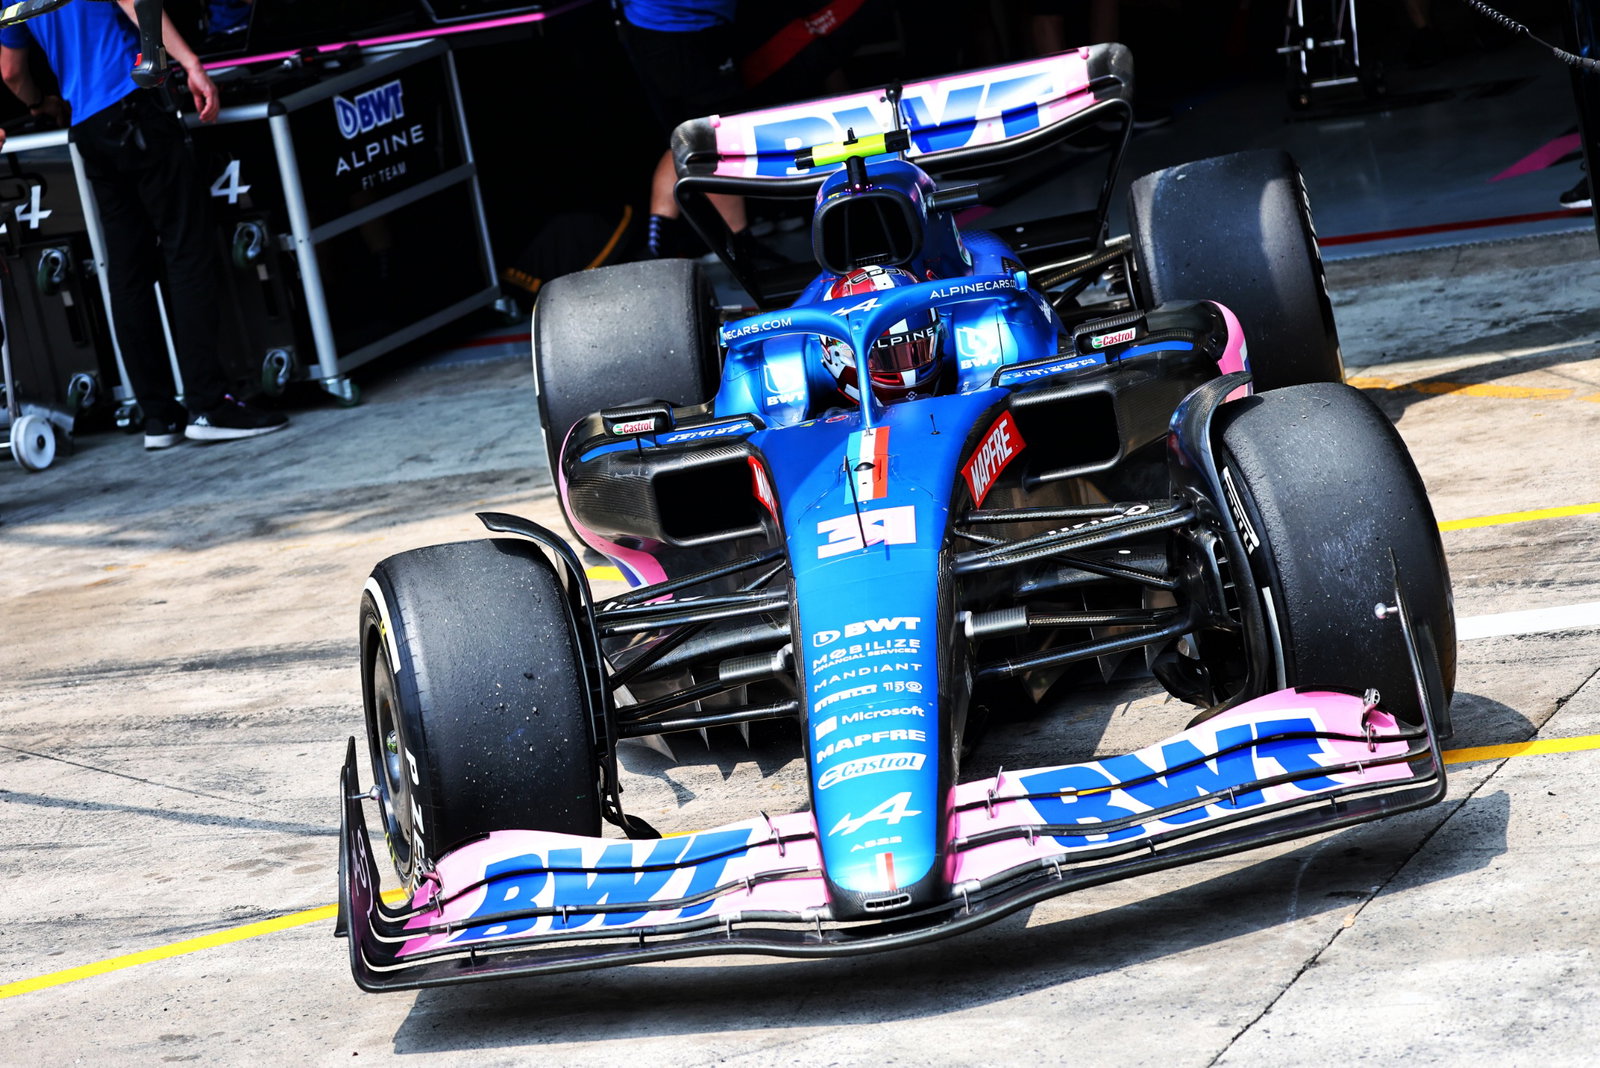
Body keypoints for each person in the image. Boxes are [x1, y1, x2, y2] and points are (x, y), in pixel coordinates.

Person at [1, 0, 288, 449]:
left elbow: (11, 71)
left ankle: (159, 416)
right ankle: (209, 407)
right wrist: (190, 62)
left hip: (88, 125)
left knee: (129, 270)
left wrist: (42, 103)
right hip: (136, 101)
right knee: (186, 248)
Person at [614, 0, 750, 258]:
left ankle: (658, 248)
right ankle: (740, 245)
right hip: (672, 27)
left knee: (694, 135)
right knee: (713, 133)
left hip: (700, 25)